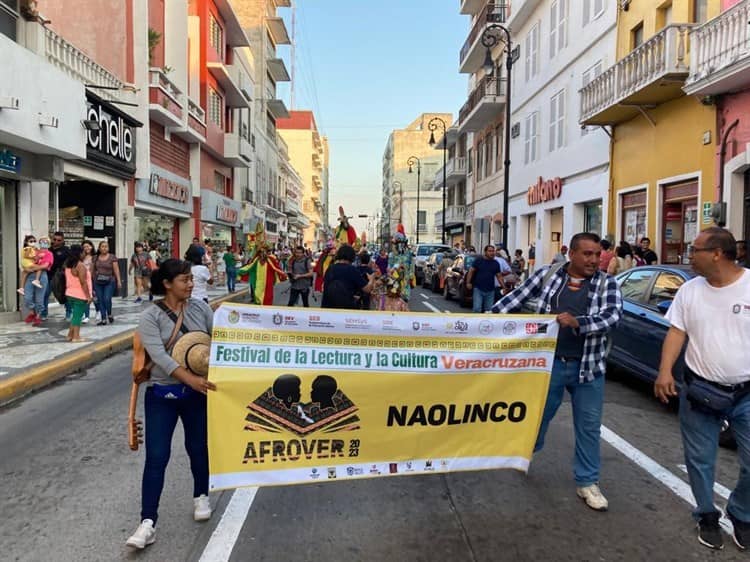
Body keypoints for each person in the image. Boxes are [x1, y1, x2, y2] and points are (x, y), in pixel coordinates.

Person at [492, 232, 623, 511]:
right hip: (548, 364)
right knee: (538, 417)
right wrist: (480, 326)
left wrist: (579, 322)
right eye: (586, 254)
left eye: (597, 254)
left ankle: (587, 481)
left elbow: (613, 316)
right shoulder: (548, 275)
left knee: (589, 427)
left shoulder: (606, 283)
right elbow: (514, 299)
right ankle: (527, 451)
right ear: (571, 254)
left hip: (588, 368)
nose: (593, 260)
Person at [655, 227, 750, 551]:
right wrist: (665, 371)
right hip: (700, 391)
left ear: (717, 254)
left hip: (746, 395)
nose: (689, 256)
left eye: (694, 250)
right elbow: (677, 334)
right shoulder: (690, 291)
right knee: (700, 459)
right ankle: (707, 514)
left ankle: (741, 513)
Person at [126, 259, 216, 550]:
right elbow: (161, 358)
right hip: (162, 395)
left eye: (191, 279)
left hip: (197, 395)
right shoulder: (150, 317)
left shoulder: (201, 309)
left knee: (198, 447)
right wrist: (191, 380)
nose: (190, 284)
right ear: (166, 284)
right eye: (184, 280)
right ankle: (147, 522)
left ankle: (201, 495)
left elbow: (219, 341)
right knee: (157, 457)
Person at [322, 244, 374, 310]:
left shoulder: (330, 269)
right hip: (346, 312)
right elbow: (367, 289)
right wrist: (371, 279)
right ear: (352, 257)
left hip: (328, 309)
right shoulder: (352, 270)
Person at [63, 245, 92, 343]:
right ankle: (76, 336)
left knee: (75, 315)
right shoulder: (80, 265)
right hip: (79, 294)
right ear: (79, 253)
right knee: (78, 316)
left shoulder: (67, 265)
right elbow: (83, 282)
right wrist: (88, 296)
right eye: (83, 252)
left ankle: (70, 335)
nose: (85, 254)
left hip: (69, 293)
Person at [22, 235, 53, 327]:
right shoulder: (34, 251)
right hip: (30, 275)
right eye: (41, 241)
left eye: (46, 242)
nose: (43, 243)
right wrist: (26, 268)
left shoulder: (49, 254)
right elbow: (26, 261)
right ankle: (32, 312)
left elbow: (45, 266)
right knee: (27, 297)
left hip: (42, 276)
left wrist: (34, 267)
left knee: (39, 298)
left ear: (48, 243)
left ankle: (38, 316)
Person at [466, 245, 506, 313]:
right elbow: (471, 271)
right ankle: (475, 323)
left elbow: (499, 276)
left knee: (488, 311)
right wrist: (468, 282)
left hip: (490, 290)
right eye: (490, 251)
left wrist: (504, 287)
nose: (492, 253)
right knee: (477, 309)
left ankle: (485, 323)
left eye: (493, 251)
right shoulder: (479, 261)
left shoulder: (496, 263)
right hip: (478, 289)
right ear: (485, 252)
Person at [42, 232, 71, 320]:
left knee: (65, 295)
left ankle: (69, 313)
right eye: (54, 239)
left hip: (61, 277)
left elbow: (70, 262)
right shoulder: (47, 250)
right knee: (45, 294)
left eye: (59, 240)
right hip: (48, 276)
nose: (56, 241)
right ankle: (44, 313)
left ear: (62, 241)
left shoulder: (66, 250)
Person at [92, 240, 121, 325]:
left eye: (106, 246)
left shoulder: (112, 257)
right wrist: (92, 279)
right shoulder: (95, 258)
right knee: (100, 300)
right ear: (99, 248)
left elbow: (116, 270)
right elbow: (92, 270)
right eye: (102, 246)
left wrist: (118, 281)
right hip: (98, 282)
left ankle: (109, 313)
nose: (104, 248)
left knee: (107, 299)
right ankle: (103, 318)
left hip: (109, 281)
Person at [81, 240, 96, 324]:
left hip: (91, 279)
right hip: (82, 279)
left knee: (92, 297)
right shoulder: (81, 257)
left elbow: (93, 269)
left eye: (88, 246)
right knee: (83, 297)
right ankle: (85, 315)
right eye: (84, 247)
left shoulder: (94, 257)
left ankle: (98, 312)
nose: (87, 248)